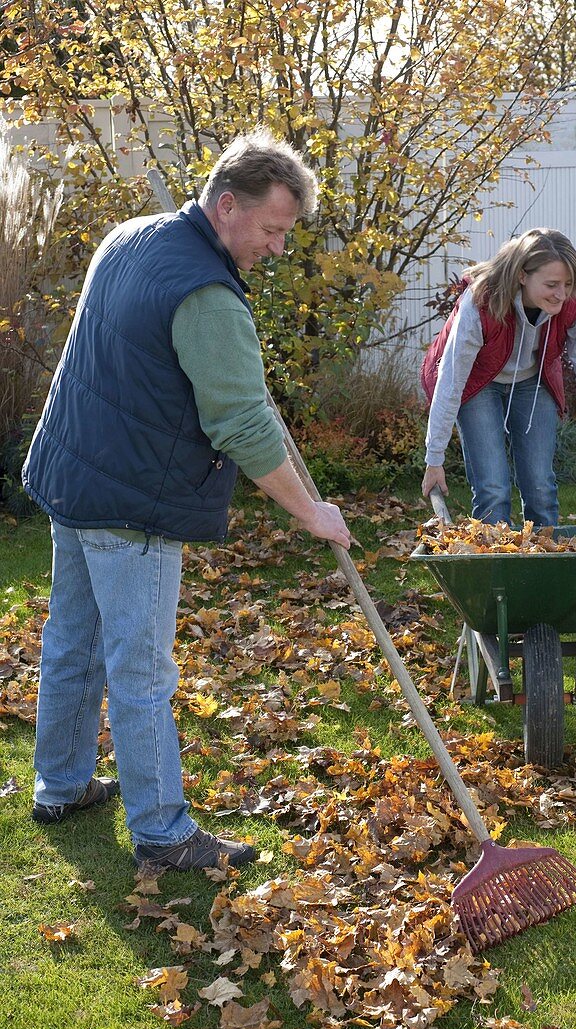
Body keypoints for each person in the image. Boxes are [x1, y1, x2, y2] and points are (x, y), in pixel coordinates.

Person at [22, 129, 351, 872]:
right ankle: (164, 832)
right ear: (227, 206)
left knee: (73, 641)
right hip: (130, 497)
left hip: (74, 469)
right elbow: (239, 424)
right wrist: (310, 511)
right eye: (271, 229)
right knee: (140, 670)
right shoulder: (205, 293)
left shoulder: (133, 236)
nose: (276, 247)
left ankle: (62, 784)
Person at [420, 228, 576, 525]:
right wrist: (434, 457)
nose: (562, 294)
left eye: (567, 284)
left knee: (541, 487)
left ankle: (544, 566)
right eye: (552, 284)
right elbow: (451, 381)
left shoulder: (573, 303)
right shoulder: (480, 303)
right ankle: (494, 568)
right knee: (493, 488)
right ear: (522, 275)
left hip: (532, 380)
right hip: (478, 382)